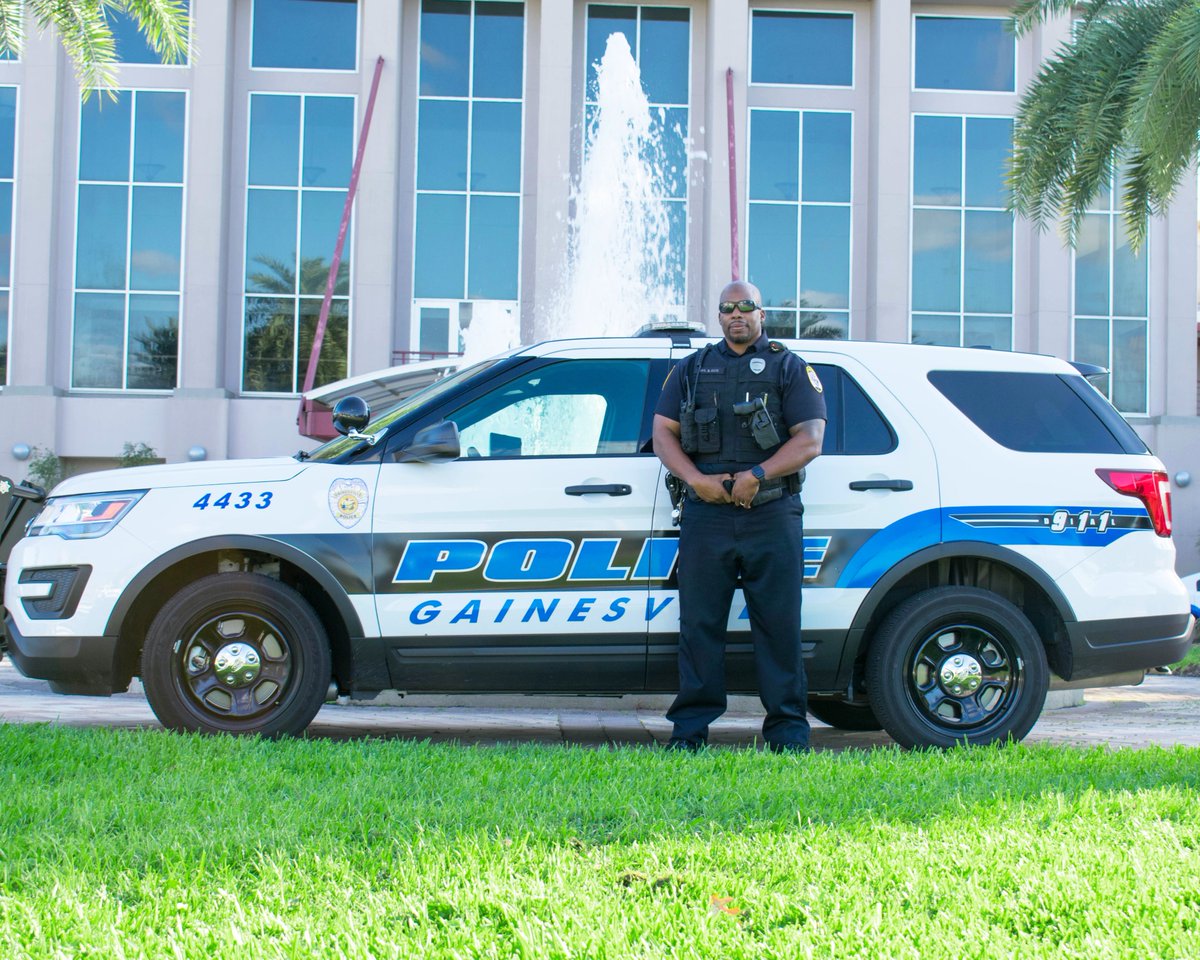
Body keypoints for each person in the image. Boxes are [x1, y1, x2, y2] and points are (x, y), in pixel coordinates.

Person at [652, 280, 826, 753]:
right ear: (720, 316)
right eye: (727, 308)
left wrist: (757, 474)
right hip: (706, 514)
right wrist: (695, 479)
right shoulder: (691, 369)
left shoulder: (789, 367)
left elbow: (809, 439)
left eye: (745, 307)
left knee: (778, 624)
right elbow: (663, 432)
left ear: (761, 313)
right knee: (699, 625)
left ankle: (788, 733)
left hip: (771, 512)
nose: (736, 315)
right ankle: (689, 733)